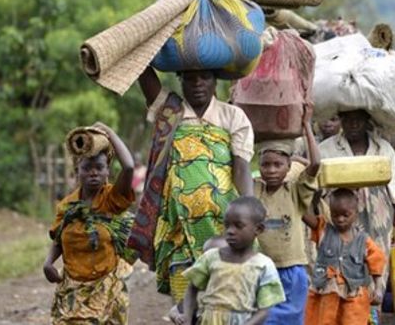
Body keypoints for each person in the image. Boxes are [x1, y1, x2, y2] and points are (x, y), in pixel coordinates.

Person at [128, 67, 255, 307]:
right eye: (189, 78)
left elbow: (241, 168)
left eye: (205, 77)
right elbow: (144, 74)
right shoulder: (170, 112)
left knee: (226, 306)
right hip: (179, 233)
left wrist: (248, 213)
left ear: (215, 80)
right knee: (186, 308)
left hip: (222, 230)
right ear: (180, 80)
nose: (197, 83)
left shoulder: (232, 116)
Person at [318, 109, 395, 321]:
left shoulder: (383, 149)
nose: (353, 124)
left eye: (358, 119)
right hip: (340, 218)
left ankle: (372, 319)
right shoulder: (327, 149)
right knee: (342, 273)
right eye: (347, 119)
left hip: (378, 219)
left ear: (368, 120)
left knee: (376, 271)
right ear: (341, 120)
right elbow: (317, 192)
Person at [44, 122, 135, 324]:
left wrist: (109, 133)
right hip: (72, 290)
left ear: (107, 172)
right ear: (78, 171)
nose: (93, 173)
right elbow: (59, 238)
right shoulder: (67, 205)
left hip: (106, 288)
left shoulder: (111, 199)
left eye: (99, 168)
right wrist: (48, 262)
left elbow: (128, 166)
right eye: (87, 168)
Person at [253, 106, 320, 324]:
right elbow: (239, 165)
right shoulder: (255, 190)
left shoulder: (295, 191)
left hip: (293, 270)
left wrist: (307, 125)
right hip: (262, 270)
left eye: (277, 165)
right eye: (266, 165)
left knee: (292, 320)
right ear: (259, 167)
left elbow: (315, 164)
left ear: (288, 166)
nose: (271, 170)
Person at [177, 197, 286, 325]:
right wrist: (187, 318)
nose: (230, 231)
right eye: (227, 225)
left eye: (238, 226)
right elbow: (192, 289)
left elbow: (265, 310)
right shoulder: (211, 257)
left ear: (259, 229)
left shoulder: (263, 265)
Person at [303, 188, 387, 325]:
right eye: (335, 215)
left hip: (352, 295)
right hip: (326, 292)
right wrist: (314, 196)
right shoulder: (323, 230)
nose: (340, 219)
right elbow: (304, 215)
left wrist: (378, 288)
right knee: (323, 320)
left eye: (345, 215)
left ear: (355, 213)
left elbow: (377, 261)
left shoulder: (363, 240)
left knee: (353, 321)